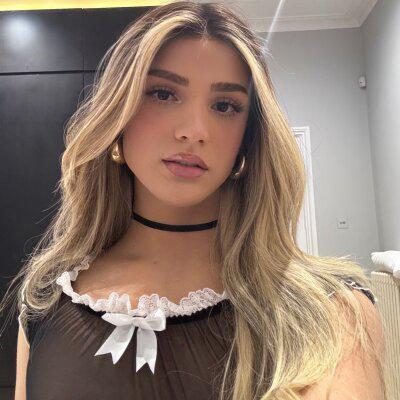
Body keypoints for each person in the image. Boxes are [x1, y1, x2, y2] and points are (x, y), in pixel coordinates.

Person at [1, 2, 386, 399]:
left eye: (225, 106)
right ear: (117, 114)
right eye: (163, 93)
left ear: (248, 138)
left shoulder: (332, 313)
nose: (194, 130)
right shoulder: (45, 299)